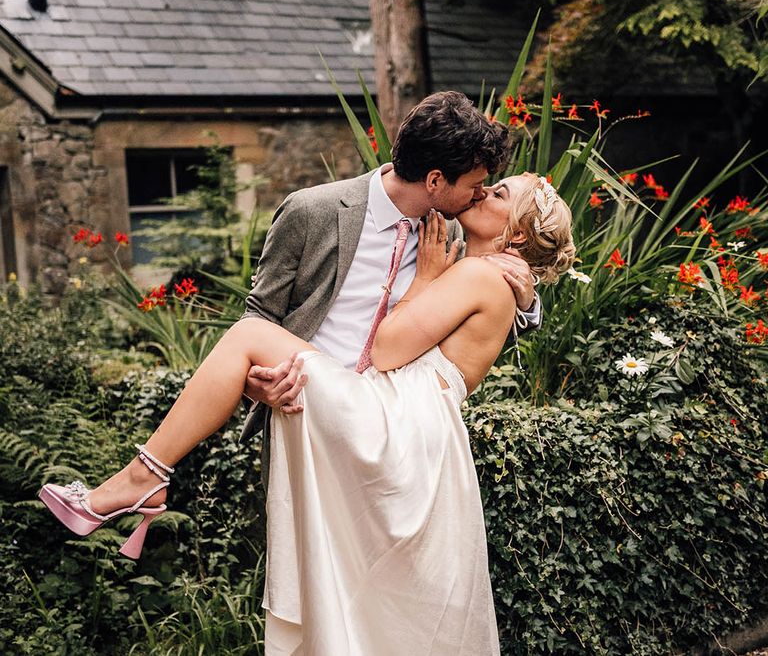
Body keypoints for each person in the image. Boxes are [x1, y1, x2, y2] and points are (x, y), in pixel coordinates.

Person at [37, 171, 576, 655]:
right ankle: (143, 479)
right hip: (421, 434)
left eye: (499, 192)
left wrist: (425, 280)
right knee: (379, 605)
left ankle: (143, 476)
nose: (482, 189)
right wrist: (509, 296)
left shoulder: (475, 274)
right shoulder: (482, 265)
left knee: (247, 335)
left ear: (519, 234)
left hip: (396, 420)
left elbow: (388, 350)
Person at [238, 91, 544, 497]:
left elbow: (481, 322)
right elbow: (259, 315)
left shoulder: (451, 230)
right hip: (304, 417)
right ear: (435, 180)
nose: (479, 194)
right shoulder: (311, 212)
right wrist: (254, 385)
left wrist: (528, 302)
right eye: (475, 184)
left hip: (392, 438)